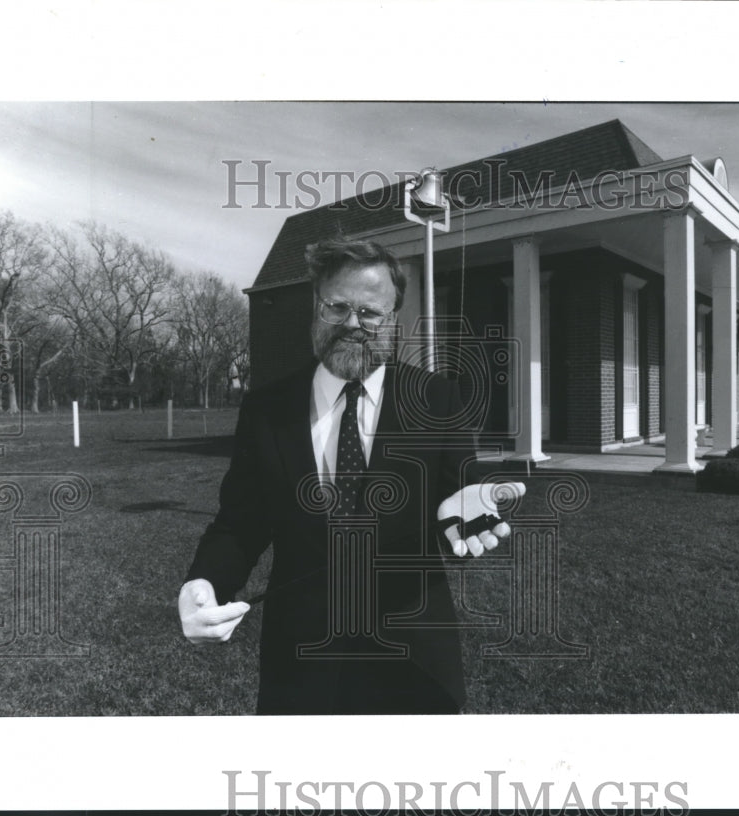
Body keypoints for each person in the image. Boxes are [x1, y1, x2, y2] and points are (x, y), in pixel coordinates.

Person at [178, 236, 522, 714]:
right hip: (301, 660)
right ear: (316, 311)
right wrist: (205, 583)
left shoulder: (438, 400)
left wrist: (459, 523)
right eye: (336, 307)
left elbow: (456, 506)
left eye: (370, 312)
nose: (352, 324)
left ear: (393, 320)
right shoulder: (267, 409)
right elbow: (240, 522)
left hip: (414, 654)